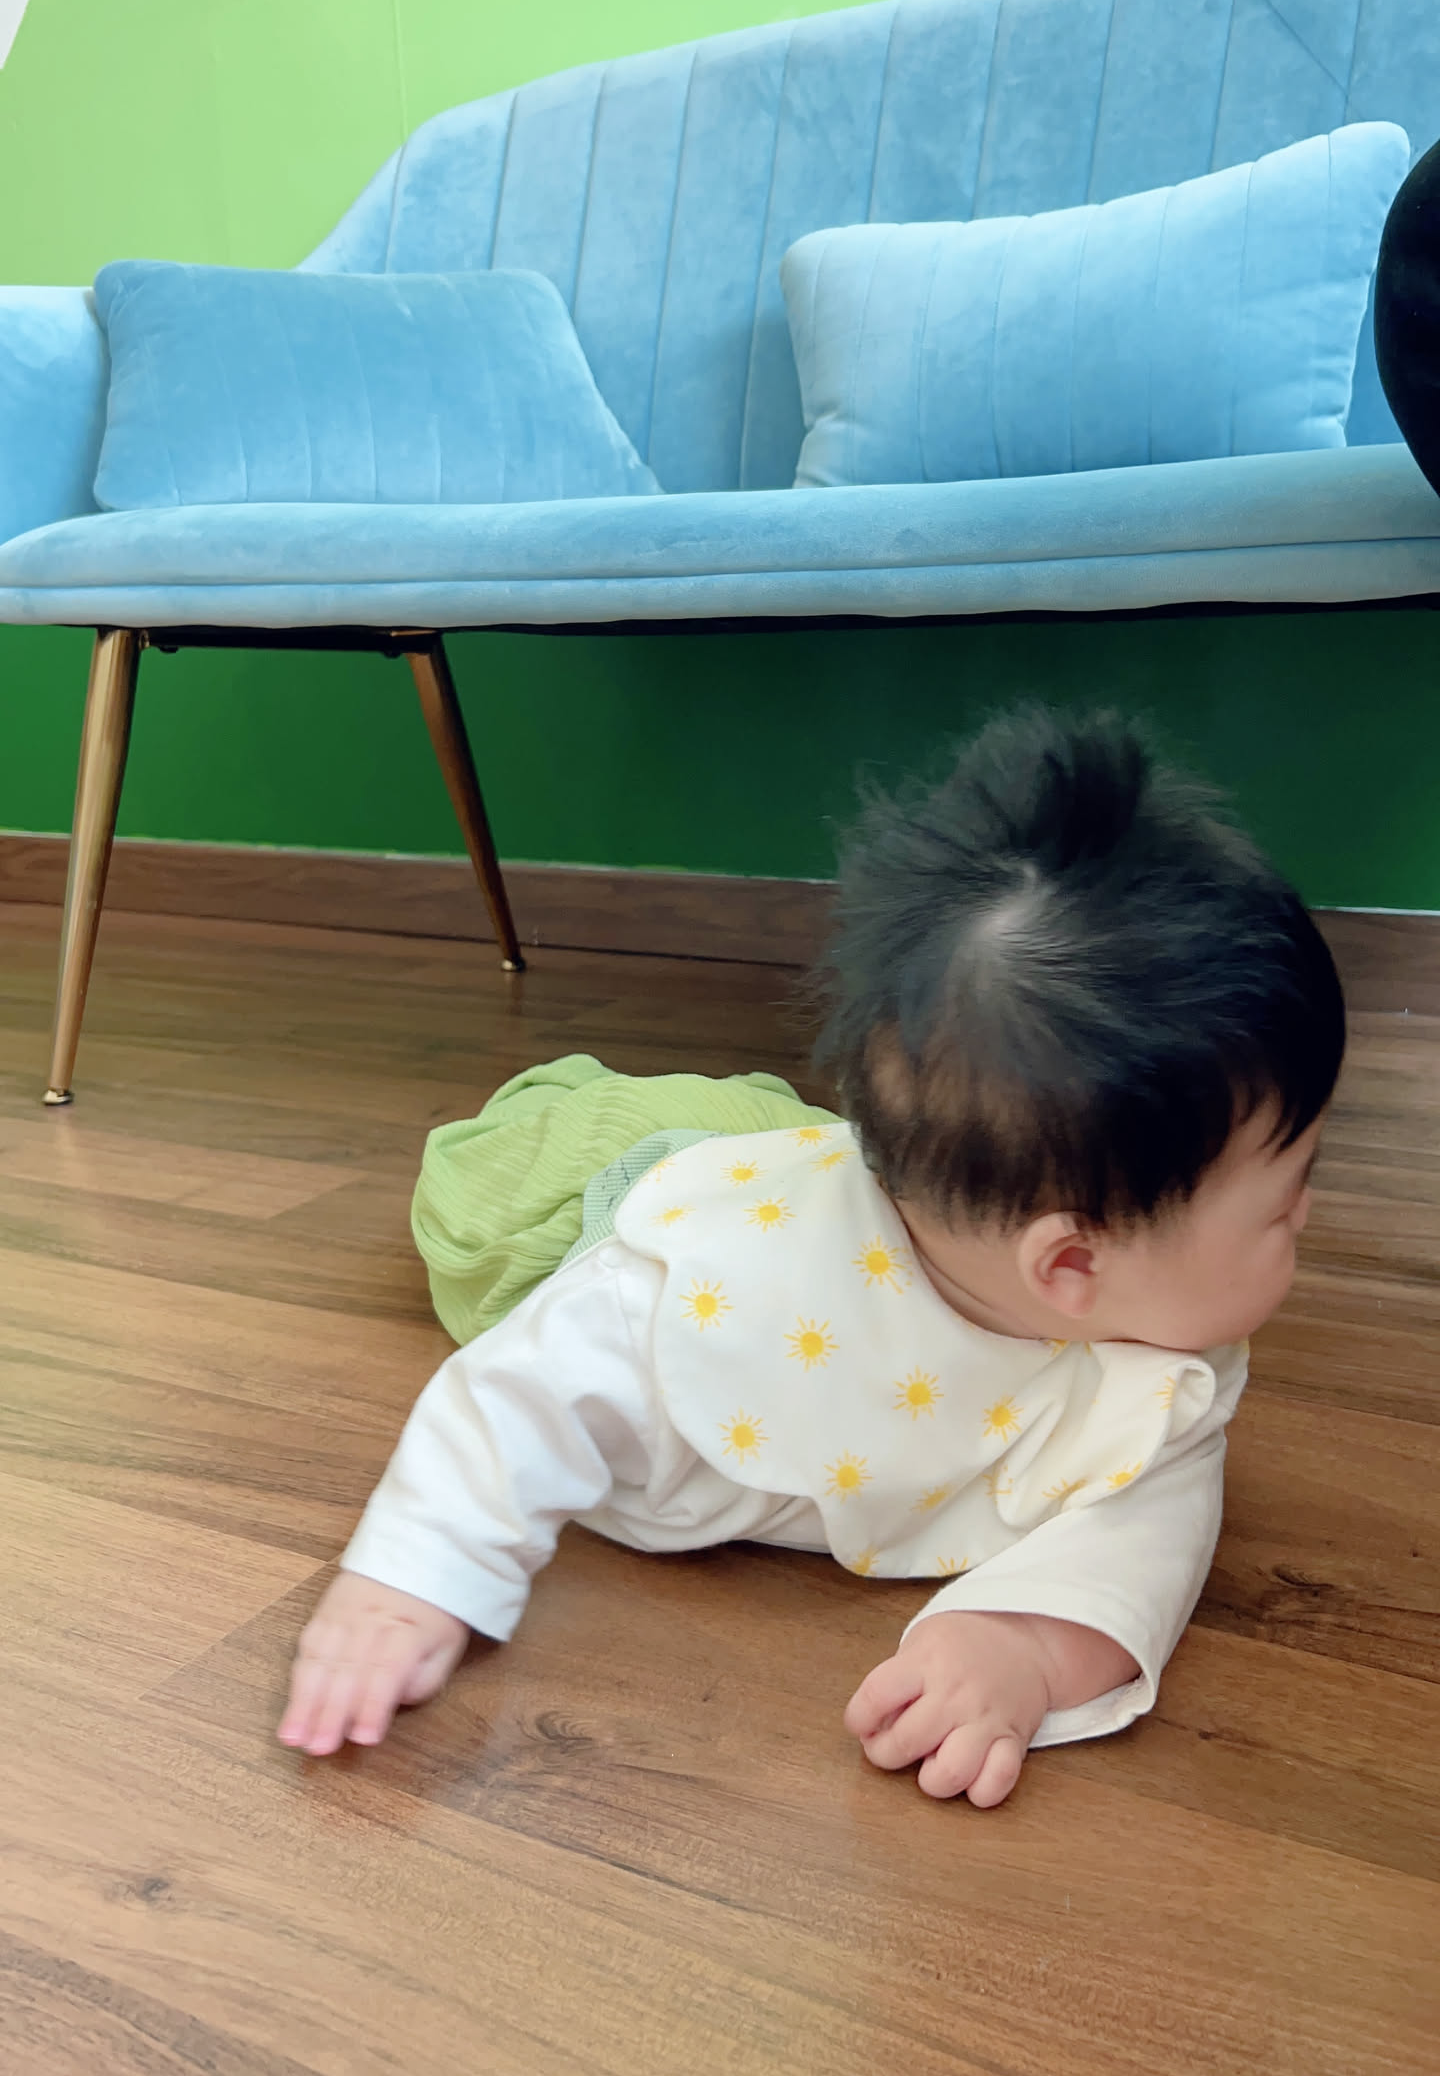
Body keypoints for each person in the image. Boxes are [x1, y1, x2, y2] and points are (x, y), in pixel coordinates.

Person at [279, 707, 1343, 1808]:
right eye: (1286, 1203)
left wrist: (1021, 1647)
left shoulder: (1154, 1376)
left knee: (817, 1140)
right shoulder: (693, 1294)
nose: (1310, 1211)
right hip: (593, 1197)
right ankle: (577, 1113)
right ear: (1069, 1267)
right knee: (490, 1187)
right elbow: (515, 1398)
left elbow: (1144, 1535)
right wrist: (413, 1579)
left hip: (834, 1165)